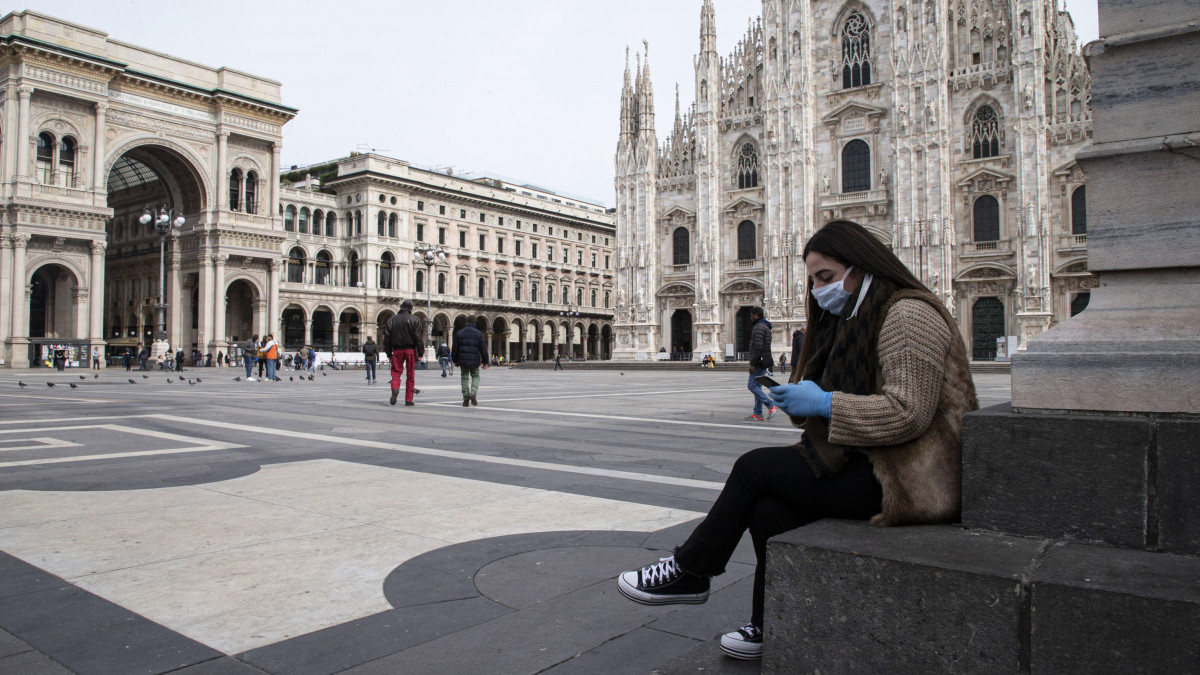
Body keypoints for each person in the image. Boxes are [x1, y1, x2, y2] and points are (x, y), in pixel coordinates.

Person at [616, 220, 979, 661]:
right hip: (875, 463)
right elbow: (850, 405)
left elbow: (908, 413)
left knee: (754, 469)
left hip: (914, 481)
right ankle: (768, 626)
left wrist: (827, 404)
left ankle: (691, 569)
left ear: (860, 265)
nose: (818, 288)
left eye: (825, 277)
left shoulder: (909, 313)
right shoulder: (854, 317)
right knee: (769, 511)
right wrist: (805, 402)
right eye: (812, 279)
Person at [385, 299, 422, 406]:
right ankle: (409, 400)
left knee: (396, 373)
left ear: (401, 307)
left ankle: (395, 388)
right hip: (410, 350)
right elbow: (418, 338)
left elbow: (387, 338)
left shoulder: (391, 320)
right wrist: (420, 352)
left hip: (396, 350)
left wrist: (388, 354)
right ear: (411, 308)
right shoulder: (415, 319)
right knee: (410, 375)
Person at [744, 307, 777, 422]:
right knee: (757, 386)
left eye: (751, 315)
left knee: (752, 386)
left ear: (756, 315)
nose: (750, 317)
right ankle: (758, 413)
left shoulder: (759, 327)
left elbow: (758, 347)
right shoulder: (765, 326)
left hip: (758, 362)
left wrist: (752, 364)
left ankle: (771, 404)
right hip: (763, 360)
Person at [452, 315, 488, 407]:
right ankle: (473, 392)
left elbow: (455, 349)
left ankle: (465, 399)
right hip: (475, 361)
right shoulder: (478, 333)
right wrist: (485, 362)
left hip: (463, 361)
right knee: (475, 376)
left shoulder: (460, 333)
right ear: (474, 323)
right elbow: (483, 349)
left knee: (464, 378)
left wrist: (455, 360)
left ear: (466, 322)